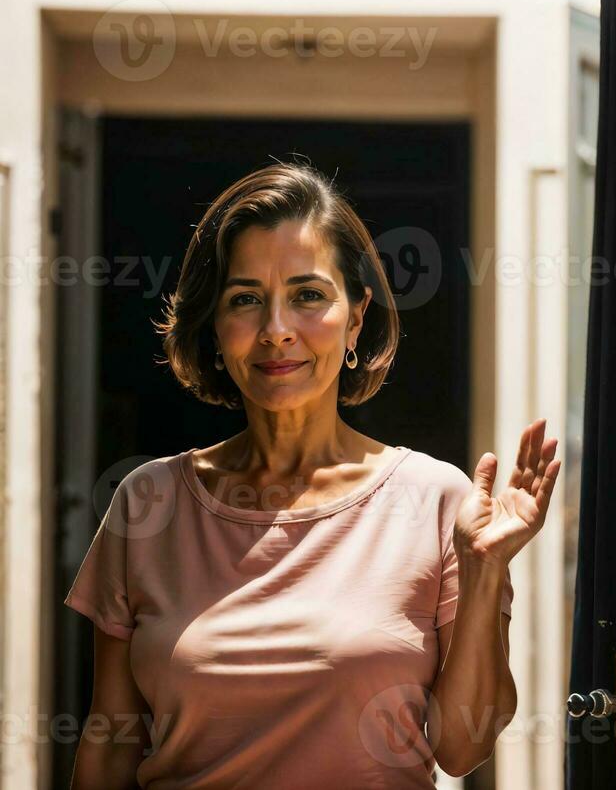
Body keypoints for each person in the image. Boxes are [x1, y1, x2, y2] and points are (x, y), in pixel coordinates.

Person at [65, 162, 562, 787]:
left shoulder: (438, 501)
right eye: (245, 299)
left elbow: (462, 748)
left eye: (308, 295)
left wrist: (485, 570)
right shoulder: (148, 504)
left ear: (355, 319)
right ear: (215, 329)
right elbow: (109, 743)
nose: (277, 331)